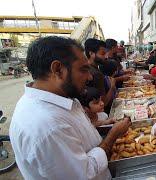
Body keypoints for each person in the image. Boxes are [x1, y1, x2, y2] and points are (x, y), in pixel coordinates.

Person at [9, 36, 131, 179]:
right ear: (58, 69)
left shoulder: (62, 97)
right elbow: (84, 173)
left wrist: (102, 126)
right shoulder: (47, 126)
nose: (90, 77)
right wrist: (112, 136)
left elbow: (75, 135)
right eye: (83, 70)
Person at [85, 39, 116, 112]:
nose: (106, 57)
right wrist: (112, 87)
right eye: (102, 54)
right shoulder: (96, 74)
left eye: (105, 53)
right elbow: (104, 102)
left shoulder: (91, 69)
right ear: (91, 53)